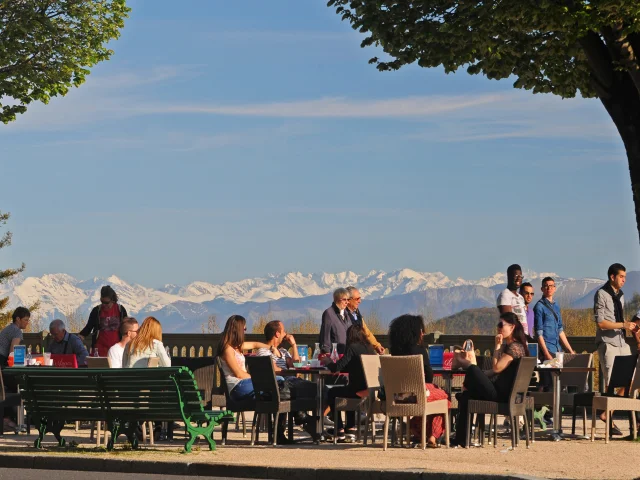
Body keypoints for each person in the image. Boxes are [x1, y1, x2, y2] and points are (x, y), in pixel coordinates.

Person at [453, 312, 529, 447]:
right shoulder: (515, 346)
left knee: (471, 368)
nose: (499, 328)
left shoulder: (514, 347)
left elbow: (496, 368)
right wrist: (478, 377)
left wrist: (497, 346)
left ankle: (462, 365)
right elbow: (492, 371)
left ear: (512, 327)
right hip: (502, 392)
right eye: (498, 325)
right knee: (466, 396)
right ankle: (461, 439)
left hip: (501, 396)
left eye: (501, 325)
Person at [217, 315, 293, 443]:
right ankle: (282, 428)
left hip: (247, 385)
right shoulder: (227, 348)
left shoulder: (237, 346)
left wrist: (270, 348)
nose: (245, 332)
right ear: (237, 329)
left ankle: (277, 434)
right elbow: (238, 374)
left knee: (278, 390)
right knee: (279, 381)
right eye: (244, 329)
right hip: (238, 388)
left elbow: (255, 344)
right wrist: (259, 379)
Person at [388, 314, 448, 448]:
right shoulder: (419, 350)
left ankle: (418, 431)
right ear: (416, 332)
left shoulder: (394, 351)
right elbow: (429, 375)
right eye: (421, 330)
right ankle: (430, 435)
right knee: (445, 398)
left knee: (437, 398)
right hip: (418, 395)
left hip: (397, 396)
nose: (423, 333)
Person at [594, 263, 635, 436]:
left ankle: (608, 414)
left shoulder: (621, 295)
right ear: (612, 277)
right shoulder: (601, 294)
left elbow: (619, 317)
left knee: (632, 379)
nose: (624, 280)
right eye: (621, 277)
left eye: (625, 277)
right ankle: (609, 418)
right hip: (608, 344)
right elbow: (601, 323)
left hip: (622, 342)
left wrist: (630, 327)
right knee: (612, 383)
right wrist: (624, 324)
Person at [256, 320, 317, 435]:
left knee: (314, 389)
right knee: (313, 389)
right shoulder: (263, 352)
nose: (286, 333)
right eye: (283, 331)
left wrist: (293, 345)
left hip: (289, 383)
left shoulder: (283, 351)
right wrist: (290, 372)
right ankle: (302, 418)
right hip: (277, 387)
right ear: (277, 334)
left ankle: (304, 418)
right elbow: (274, 370)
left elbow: (296, 366)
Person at [321, 324, 375, 442]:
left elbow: (337, 367)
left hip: (357, 390)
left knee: (332, 392)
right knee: (348, 389)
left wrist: (327, 361)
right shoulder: (370, 348)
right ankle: (350, 428)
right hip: (369, 390)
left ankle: (339, 429)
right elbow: (353, 367)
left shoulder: (353, 348)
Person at [534, 277, 575, 391]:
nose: (549, 288)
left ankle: (557, 407)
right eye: (546, 286)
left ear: (555, 288)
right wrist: (546, 353)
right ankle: (546, 407)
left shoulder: (556, 306)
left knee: (559, 384)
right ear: (542, 288)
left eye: (551, 285)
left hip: (557, 350)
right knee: (549, 384)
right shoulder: (539, 307)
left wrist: (570, 350)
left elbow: (560, 330)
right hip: (547, 350)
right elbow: (539, 333)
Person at [0, 306, 30, 431]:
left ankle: (9, 417)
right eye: (25, 320)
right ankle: (12, 419)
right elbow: (12, 352)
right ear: (17, 319)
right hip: (2, 363)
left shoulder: (7, 329)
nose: (27, 322)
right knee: (18, 385)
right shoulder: (17, 331)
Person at [79, 285, 128, 357]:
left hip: (117, 349)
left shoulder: (121, 310)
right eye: (102, 302)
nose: (104, 305)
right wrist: (79, 337)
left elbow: (126, 327)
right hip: (100, 349)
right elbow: (89, 327)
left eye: (106, 302)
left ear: (113, 300)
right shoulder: (97, 310)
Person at [345, 286, 385, 354]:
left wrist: (377, 346)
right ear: (349, 300)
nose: (360, 301)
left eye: (360, 298)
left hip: (360, 350)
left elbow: (366, 332)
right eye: (357, 299)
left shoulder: (357, 314)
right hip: (349, 352)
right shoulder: (342, 315)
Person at [497, 264, 528, 334]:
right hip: (512, 339)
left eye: (520, 276)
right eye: (516, 276)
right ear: (509, 277)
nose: (519, 278)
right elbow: (508, 320)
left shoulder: (520, 297)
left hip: (523, 338)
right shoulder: (505, 295)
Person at [319, 288, 351, 354]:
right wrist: (326, 352)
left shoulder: (347, 314)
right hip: (334, 355)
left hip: (347, 355)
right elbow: (325, 336)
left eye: (348, 299)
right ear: (337, 299)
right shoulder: (329, 313)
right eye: (344, 299)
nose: (347, 302)